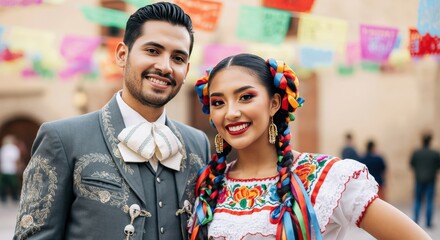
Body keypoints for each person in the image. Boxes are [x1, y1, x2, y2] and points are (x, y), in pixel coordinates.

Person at [14, 2, 210, 240]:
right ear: (122, 55)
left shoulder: (199, 144)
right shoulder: (62, 139)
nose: (164, 66)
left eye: (178, 58)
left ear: (187, 69)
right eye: (152, 51)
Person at [188, 53, 430, 239]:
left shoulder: (323, 177)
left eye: (246, 97)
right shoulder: (209, 186)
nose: (231, 112)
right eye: (218, 102)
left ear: (274, 103)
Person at [410, 133, 440, 228]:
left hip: (419, 179)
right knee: (430, 201)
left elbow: (412, 164)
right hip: (431, 180)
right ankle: (428, 222)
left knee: (418, 200)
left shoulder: (416, 153)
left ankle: (416, 220)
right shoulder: (435, 153)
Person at [0, 135, 21, 203]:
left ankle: (3, 198)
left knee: (4, 184)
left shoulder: (3, 148)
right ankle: (15, 197)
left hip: (4, 168)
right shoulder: (14, 148)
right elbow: (17, 159)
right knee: (13, 184)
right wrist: (17, 167)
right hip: (12, 169)